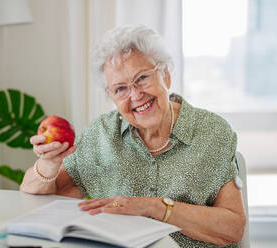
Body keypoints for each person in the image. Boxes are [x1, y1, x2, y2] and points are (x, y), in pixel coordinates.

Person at [20, 25, 246, 247]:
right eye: (121, 89)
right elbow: (42, 193)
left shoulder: (211, 131)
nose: (136, 95)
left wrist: (155, 207)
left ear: (165, 75)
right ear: (110, 95)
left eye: (142, 78)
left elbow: (232, 228)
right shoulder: (100, 136)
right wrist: (49, 164)